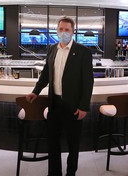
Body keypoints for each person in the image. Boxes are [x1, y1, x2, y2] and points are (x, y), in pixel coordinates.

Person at [26, 16, 94, 176]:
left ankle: (71, 173)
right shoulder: (52, 49)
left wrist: (84, 106)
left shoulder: (83, 51)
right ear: (57, 31)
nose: (64, 32)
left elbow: (88, 82)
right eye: (61, 29)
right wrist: (36, 91)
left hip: (73, 106)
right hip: (54, 104)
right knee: (53, 144)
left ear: (73, 31)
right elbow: (46, 74)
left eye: (67, 30)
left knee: (73, 144)